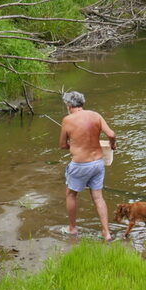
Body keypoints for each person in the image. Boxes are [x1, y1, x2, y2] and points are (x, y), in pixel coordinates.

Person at [59, 91, 116, 240]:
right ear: (82, 103)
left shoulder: (67, 120)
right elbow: (111, 134)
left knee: (71, 194)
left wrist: (73, 144)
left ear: (69, 105)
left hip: (80, 164)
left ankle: (72, 228)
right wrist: (113, 145)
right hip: (98, 163)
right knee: (98, 197)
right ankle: (106, 233)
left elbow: (62, 145)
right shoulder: (96, 115)